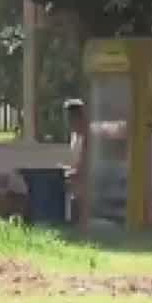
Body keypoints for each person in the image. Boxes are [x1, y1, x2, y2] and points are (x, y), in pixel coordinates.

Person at [62, 98, 90, 228]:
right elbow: (76, 160)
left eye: (72, 117)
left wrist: (75, 172)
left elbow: (88, 162)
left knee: (80, 202)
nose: (69, 121)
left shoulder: (87, 135)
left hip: (87, 182)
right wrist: (67, 170)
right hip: (77, 181)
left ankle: (83, 227)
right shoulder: (74, 136)